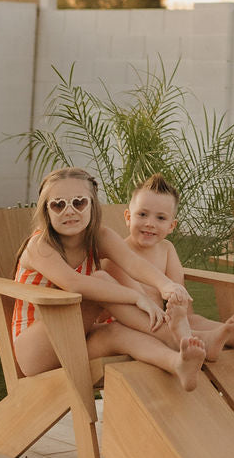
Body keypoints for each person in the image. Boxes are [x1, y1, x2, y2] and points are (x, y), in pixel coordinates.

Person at [12, 166, 206, 390]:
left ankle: (177, 363)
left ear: (92, 205)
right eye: (58, 204)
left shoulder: (100, 236)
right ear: (46, 210)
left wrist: (166, 285)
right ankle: (174, 337)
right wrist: (136, 297)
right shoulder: (39, 246)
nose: (69, 211)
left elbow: (133, 263)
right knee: (100, 279)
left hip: (76, 339)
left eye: (79, 202)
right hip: (36, 351)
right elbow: (75, 283)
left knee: (117, 333)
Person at [104, 173, 234, 360]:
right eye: (142, 214)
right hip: (133, 324)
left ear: (171, 226)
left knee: (194, 319)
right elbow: (136, 300)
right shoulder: (118, 254)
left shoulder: (167, 249)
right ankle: (210, 340)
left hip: (165, 320)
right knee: (173, 325)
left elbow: (179, 292)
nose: (150, 223)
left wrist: (182, 313)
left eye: (160, 218)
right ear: (128, 217)